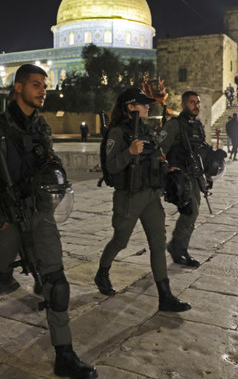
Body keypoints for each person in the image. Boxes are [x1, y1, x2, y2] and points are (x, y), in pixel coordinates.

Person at [0, 64, 97, 379]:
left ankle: (64, 354)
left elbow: (47, 164)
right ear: (17, 87)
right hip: (5, 216)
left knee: (57, 285)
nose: (42, 90)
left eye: (43, 85)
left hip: (40, 215)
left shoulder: (41, 126)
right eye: (35, 84)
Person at [94, 88, 191, 314]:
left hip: (150, 195)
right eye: (143, 103)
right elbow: (111, 166)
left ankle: (165, 296)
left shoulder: (147, 131)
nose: (148, 106)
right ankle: (102, 272)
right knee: (120, 241)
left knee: (158, 244)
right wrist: (129, 151)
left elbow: (156, 158)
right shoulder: (117, 133)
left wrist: (167, 167)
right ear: (130, 106)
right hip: (129, 196)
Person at [160, 91, 208, 268]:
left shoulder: (197, 126)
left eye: (198, 102)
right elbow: (160, 150)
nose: (196, 106)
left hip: (195, 176)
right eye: (191, 102)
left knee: (193, 214)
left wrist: (207, 172)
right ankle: (177, 247)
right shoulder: (174, 125)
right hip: (180, 177)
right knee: (190, 212)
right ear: (183, 105)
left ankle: (180, 247)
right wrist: (167, 169)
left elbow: (201, 150)